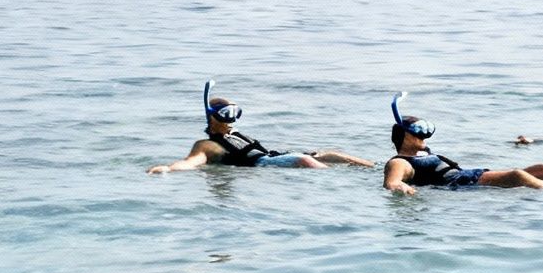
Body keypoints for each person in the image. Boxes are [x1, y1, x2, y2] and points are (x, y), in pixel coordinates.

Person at [383, 95, 543, 195]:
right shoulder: (399, 162)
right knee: (518, 175)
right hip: (461, 185)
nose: (424, 136)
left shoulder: (422, 152)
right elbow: (392, 181)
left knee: (540, 167)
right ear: (404, 136)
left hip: (469, 174)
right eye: (419, 131)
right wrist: (401, 189)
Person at [150, 82, 375, 174]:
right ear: (212, 117)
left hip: (274, 155)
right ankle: (334, 181)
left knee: (330, 153)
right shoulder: (207, 145)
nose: (232, 119)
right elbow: (191, 162)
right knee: (305, 161)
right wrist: (169, 169)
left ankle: (374, 168)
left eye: (235, 113)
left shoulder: (234, 133)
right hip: (262, 165)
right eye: (227, 114)